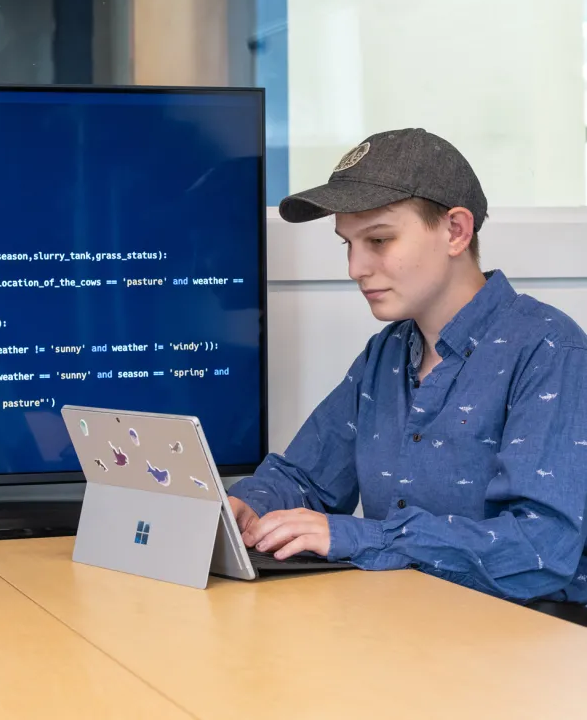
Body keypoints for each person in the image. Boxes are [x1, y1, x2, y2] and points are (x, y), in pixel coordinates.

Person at [227, 127, 587, 611]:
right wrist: (250, 506)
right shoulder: (386, 354)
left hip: (522, 646)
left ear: (455, 231)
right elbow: (307, 480)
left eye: (378, 239)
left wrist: (364, 536)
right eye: (347, 244)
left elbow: (541, 547)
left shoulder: (550, 351)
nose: (356, 266)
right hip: (405, 626)